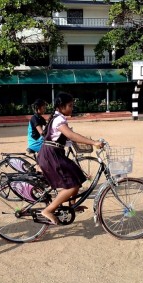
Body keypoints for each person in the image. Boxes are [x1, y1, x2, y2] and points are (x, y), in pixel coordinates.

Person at [37, 92, 103, 225]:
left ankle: (72, 205)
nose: (72, 108)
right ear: (61, 107)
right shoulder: (59, 120)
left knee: (77, 176)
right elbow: (71, 135)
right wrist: (93, 142)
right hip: (51, 155)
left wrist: (88, 141)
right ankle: (48, 210)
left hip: (54, 154)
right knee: (72, 186)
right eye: (70, 106)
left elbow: (69, 138)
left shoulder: (57, 117)